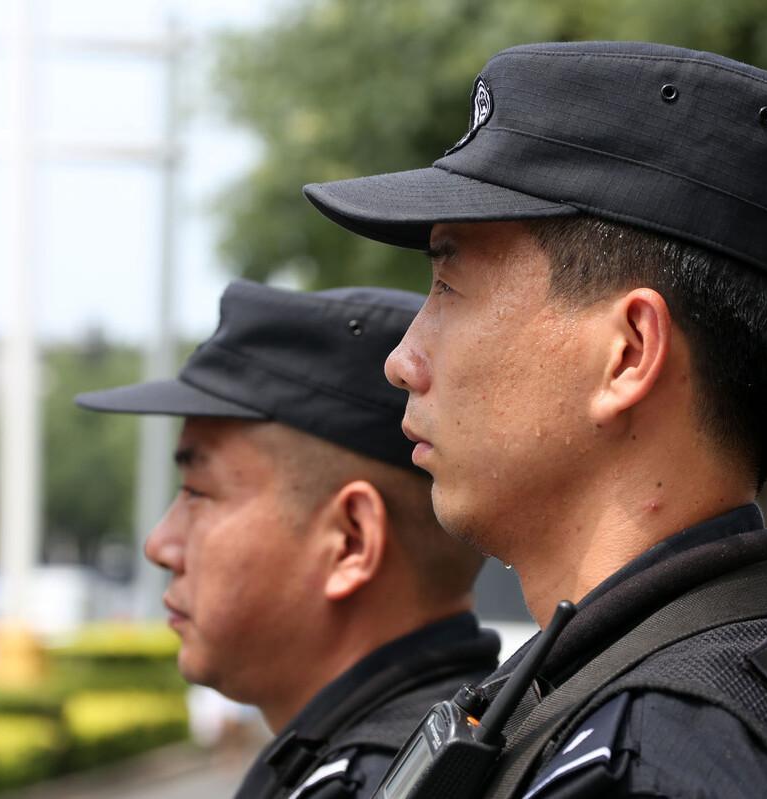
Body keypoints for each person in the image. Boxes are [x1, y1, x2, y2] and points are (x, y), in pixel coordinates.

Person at [303, 42, 767, 797]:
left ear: (627, 354)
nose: (403, 360)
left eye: (449, 286)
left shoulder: (650, 764)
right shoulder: (676, 694)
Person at [76, 280, 498, 799]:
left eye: (198, 492)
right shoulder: (456, 747)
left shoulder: (372, 784)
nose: (159, 546)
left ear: (350, 541)